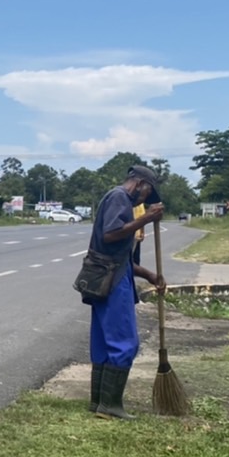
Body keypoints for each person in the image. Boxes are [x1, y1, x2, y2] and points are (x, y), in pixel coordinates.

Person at [88, 164, 166, 419]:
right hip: (112, 282)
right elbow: (110, 235)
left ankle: (99, 401)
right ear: (140, 183)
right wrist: (146, 218)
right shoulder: (119, 197)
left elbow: (122, 257)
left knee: (104, 342)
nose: (144, 199)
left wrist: (150, 276)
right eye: (147, 193)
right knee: (125, 342)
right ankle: (110, 405)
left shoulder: (118, 199)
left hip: (109, 276)